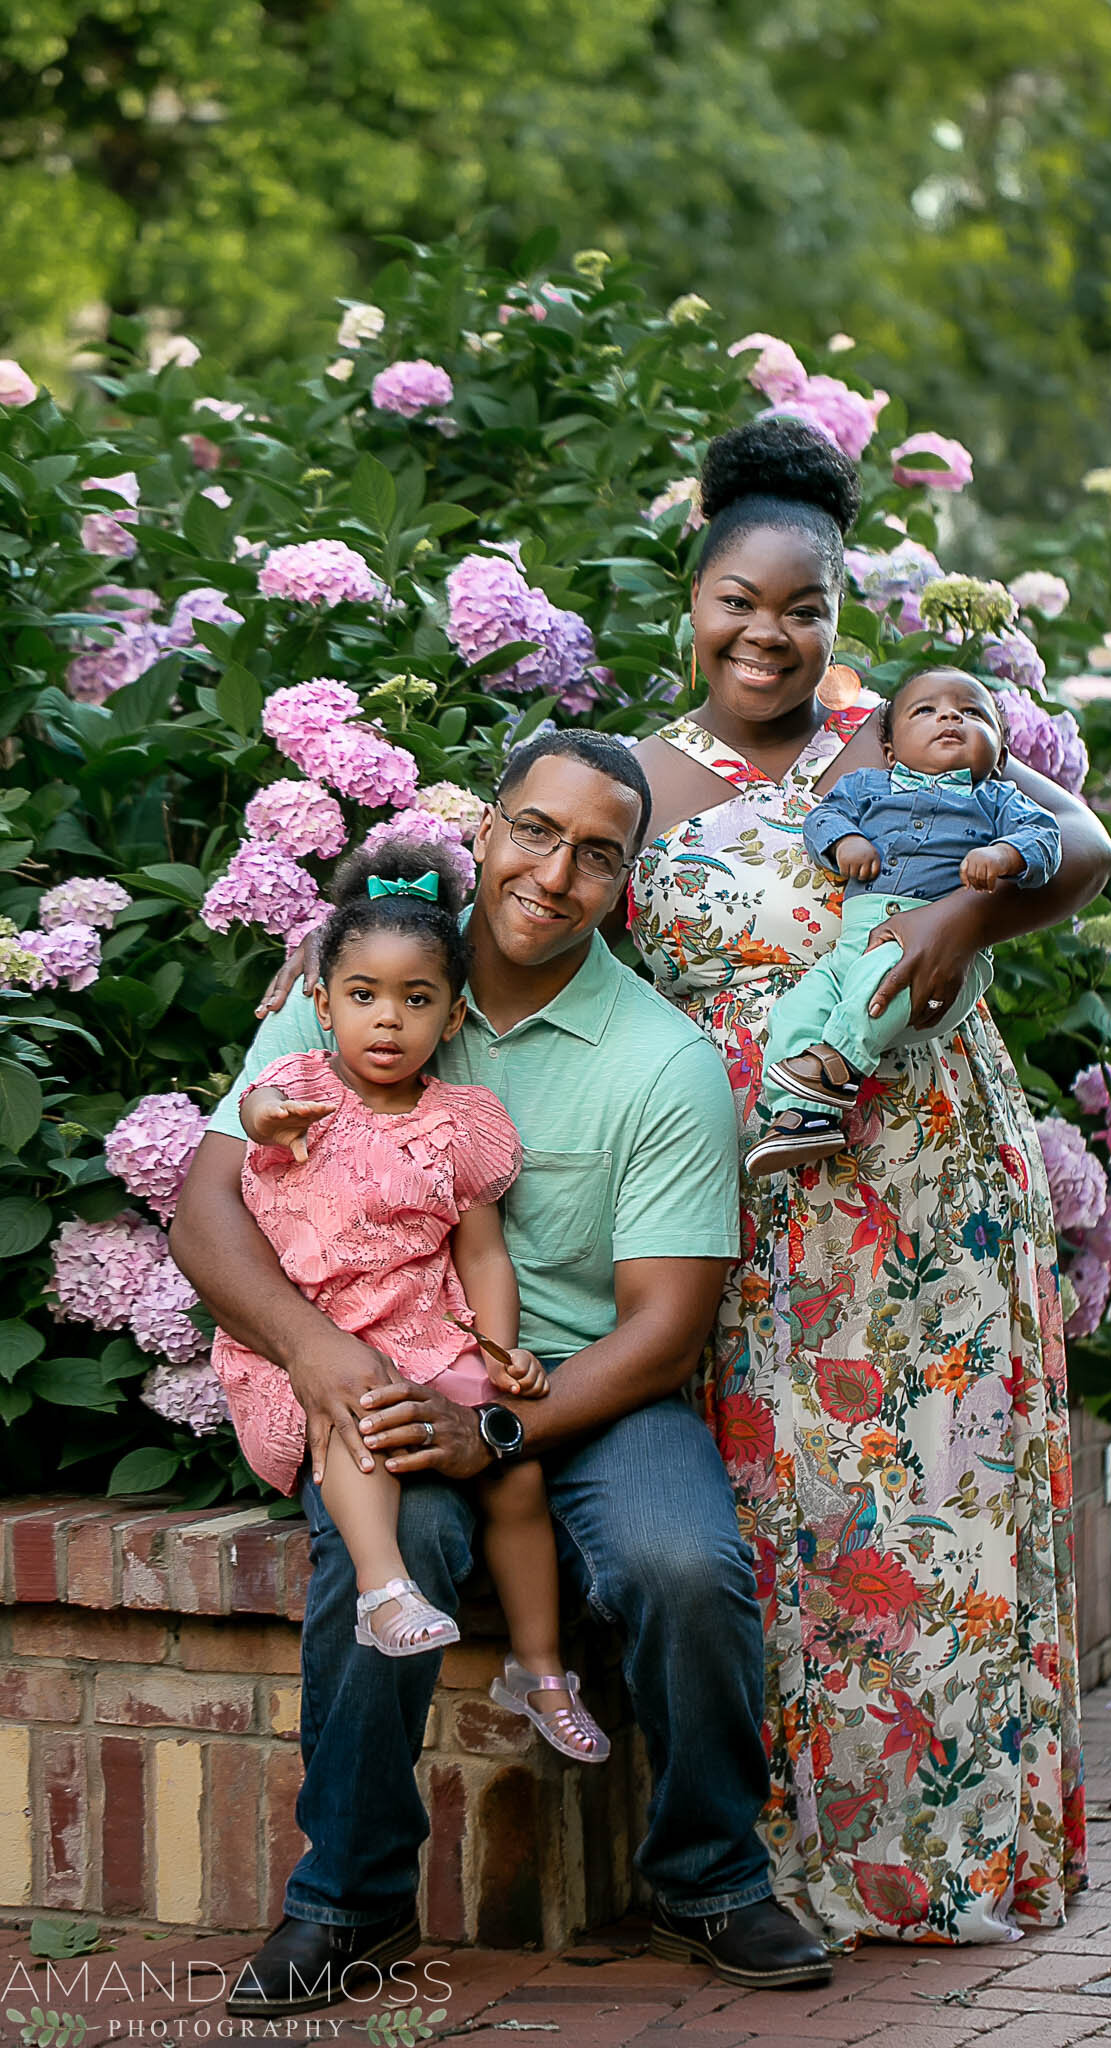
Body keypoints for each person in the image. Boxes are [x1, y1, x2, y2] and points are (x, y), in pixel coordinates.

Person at [170, 730, 830, 2016]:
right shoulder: (360, 977)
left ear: (625, 882)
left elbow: (666, 1326)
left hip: (577, 1389)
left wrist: (501, 1435)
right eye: (534, 828)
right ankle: (347, 1897)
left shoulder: (664, 1063)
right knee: (389, 1557)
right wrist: (320, 1353)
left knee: (681, 1563)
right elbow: (206, 1211)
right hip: (381, 1370)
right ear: (483, 831)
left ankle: (709, 1872)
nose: (554, 872)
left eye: (598, 853)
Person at [626, 415, 1108, 1945]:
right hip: (755, 1200)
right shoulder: (630, 776)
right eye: (738, 603)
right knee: (801, 1525)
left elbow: (1082, 845)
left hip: (937, 1186)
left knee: (953, 1517)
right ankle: (791, 1870)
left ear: (840, 615)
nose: (768, 634)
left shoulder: (900, 741)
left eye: (803, 608)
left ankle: (965, 1862)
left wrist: (965, 923)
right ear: (689, 601)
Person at [215, 835, 607, 1760]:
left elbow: (483, 1253)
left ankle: (540, 1671)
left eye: (416, 999)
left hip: (427, 1337)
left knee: (515, 1474)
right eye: (363, 996)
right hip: (322, 1342)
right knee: (363, 1421)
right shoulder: (298, 1089)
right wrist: (265, 1116)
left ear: (453, 1015)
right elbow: (251, 1118)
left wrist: (502, 1346)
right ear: (321, 1004)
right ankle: (386, 1586)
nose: (387, 1022)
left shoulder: (459, 1125)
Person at [748, 666, 1061, 1173]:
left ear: (1000, 756)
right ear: (891, 749)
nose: (950, 717)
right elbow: (823, 817)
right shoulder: (867, 786)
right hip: (855, 944)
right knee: (799, 1007)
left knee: (880, 985)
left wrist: (1003, 856)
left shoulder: (997, 799)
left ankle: (839, 1062)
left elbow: (1046, 838)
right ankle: (802, 1120)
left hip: (937, 951)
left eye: (972, 713)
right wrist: (845, 842)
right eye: (926, 711)